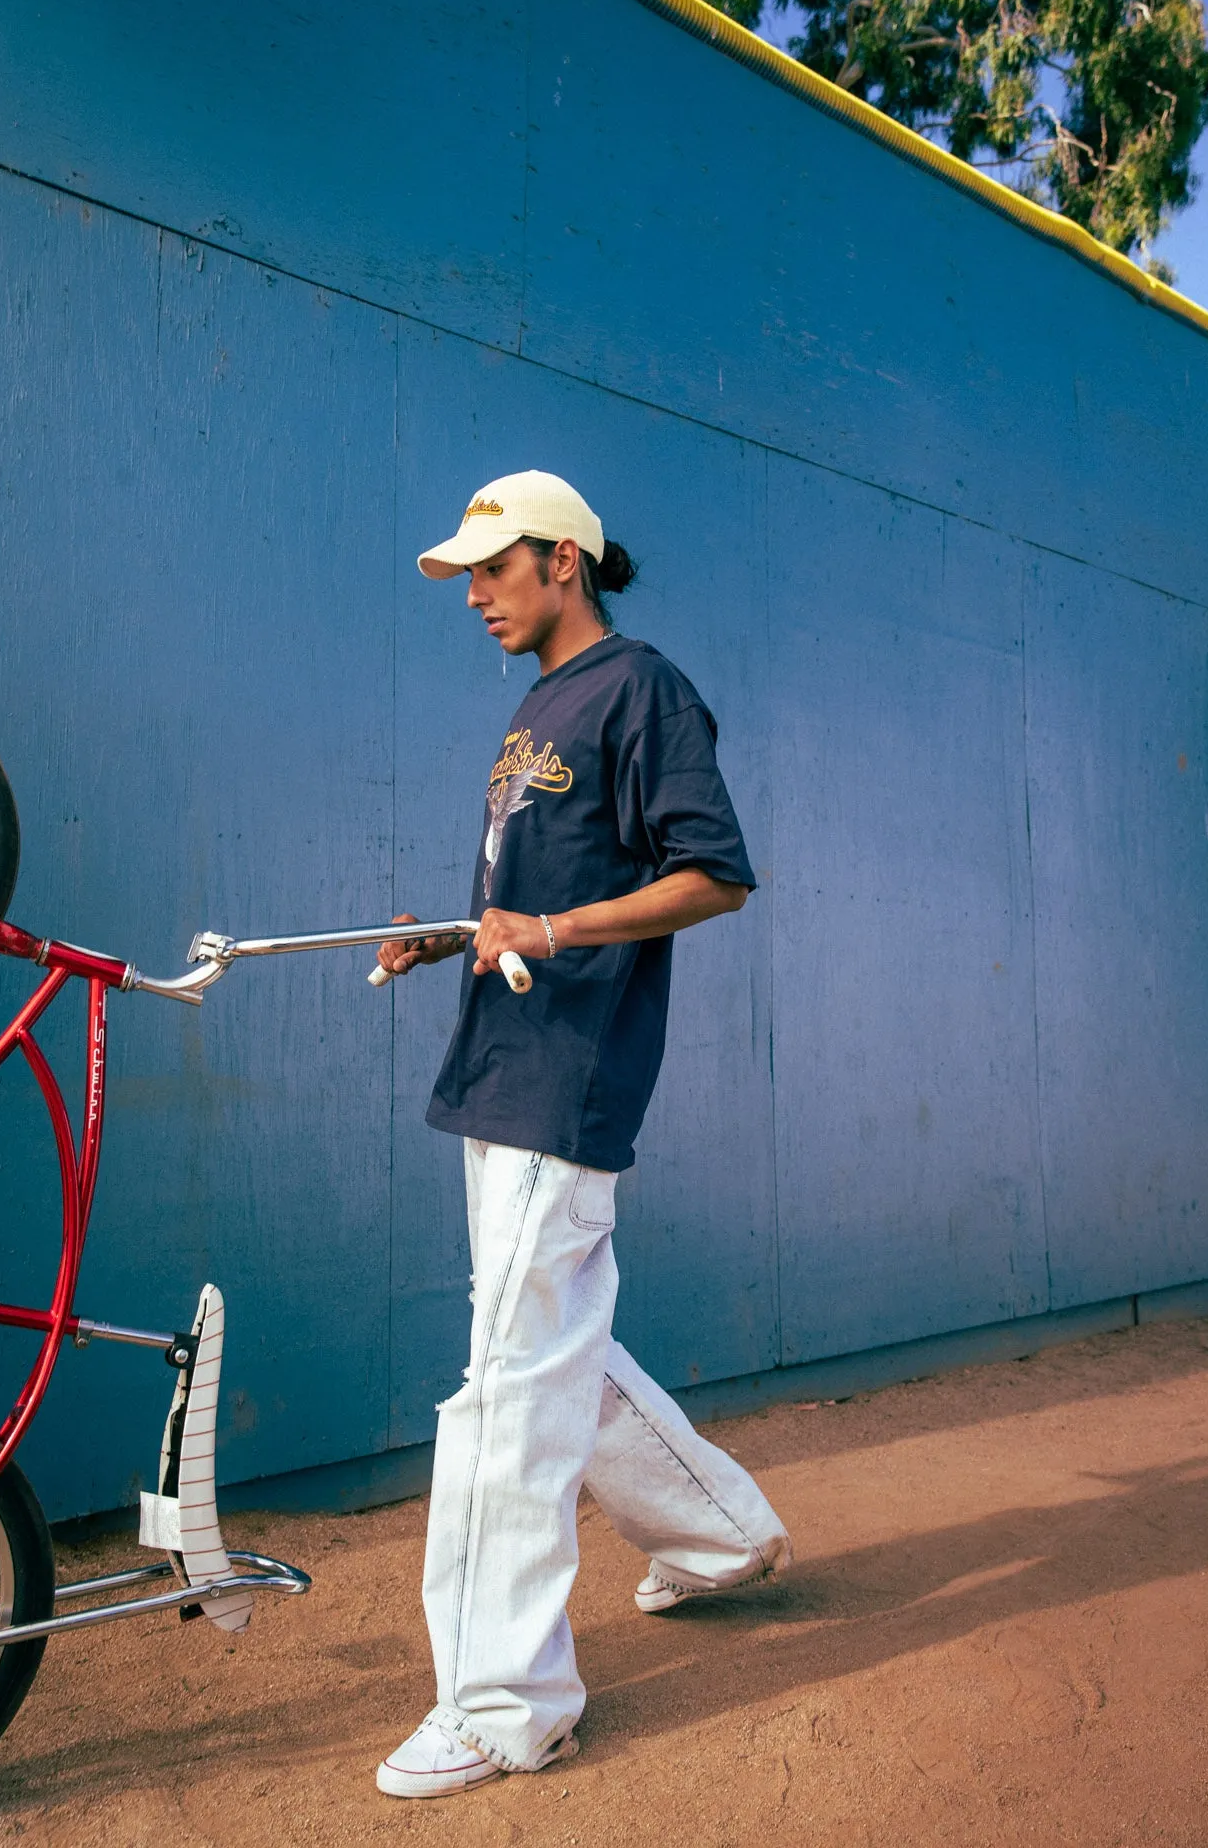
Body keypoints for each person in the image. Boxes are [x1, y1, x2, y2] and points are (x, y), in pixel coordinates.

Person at [374, 470, 791, 1800]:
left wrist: (551, 935)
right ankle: (723, 1538)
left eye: (495, 569)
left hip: (570, 1071)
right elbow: (535, 888)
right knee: (552, 1344)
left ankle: (508, 1705)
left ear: (566, 559)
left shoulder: (642, 689)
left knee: (510, 1383)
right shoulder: (534, 706)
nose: (478, 594)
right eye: (470, 575)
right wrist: (459, 930)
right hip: (499, 1064)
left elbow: (712, 874)